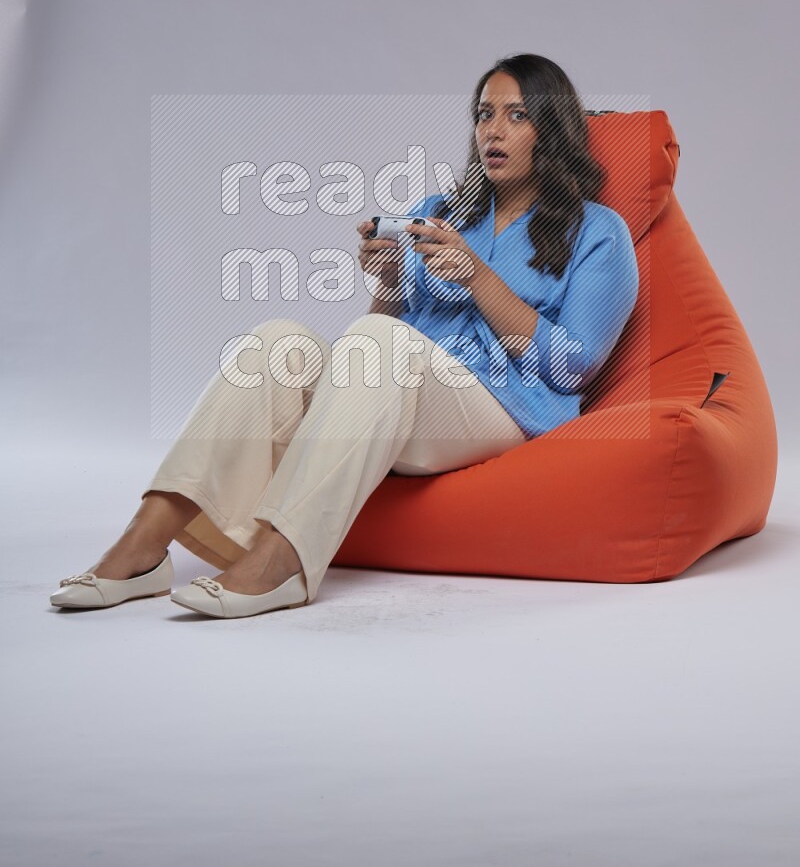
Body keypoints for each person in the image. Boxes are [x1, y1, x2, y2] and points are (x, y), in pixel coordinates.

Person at [50, 54, 639, 619]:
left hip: (506, 409)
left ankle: (282, 562)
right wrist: (386, 282)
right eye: (484, 114)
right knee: (276, 343)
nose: (494, 130)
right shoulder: (444, 210)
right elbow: (381, 335)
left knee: (381, 346)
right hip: (409, 396)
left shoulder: (598, 231)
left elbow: (573, 368)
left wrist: (480, 277)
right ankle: (145, 543)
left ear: (553, 129)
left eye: (517, 115)